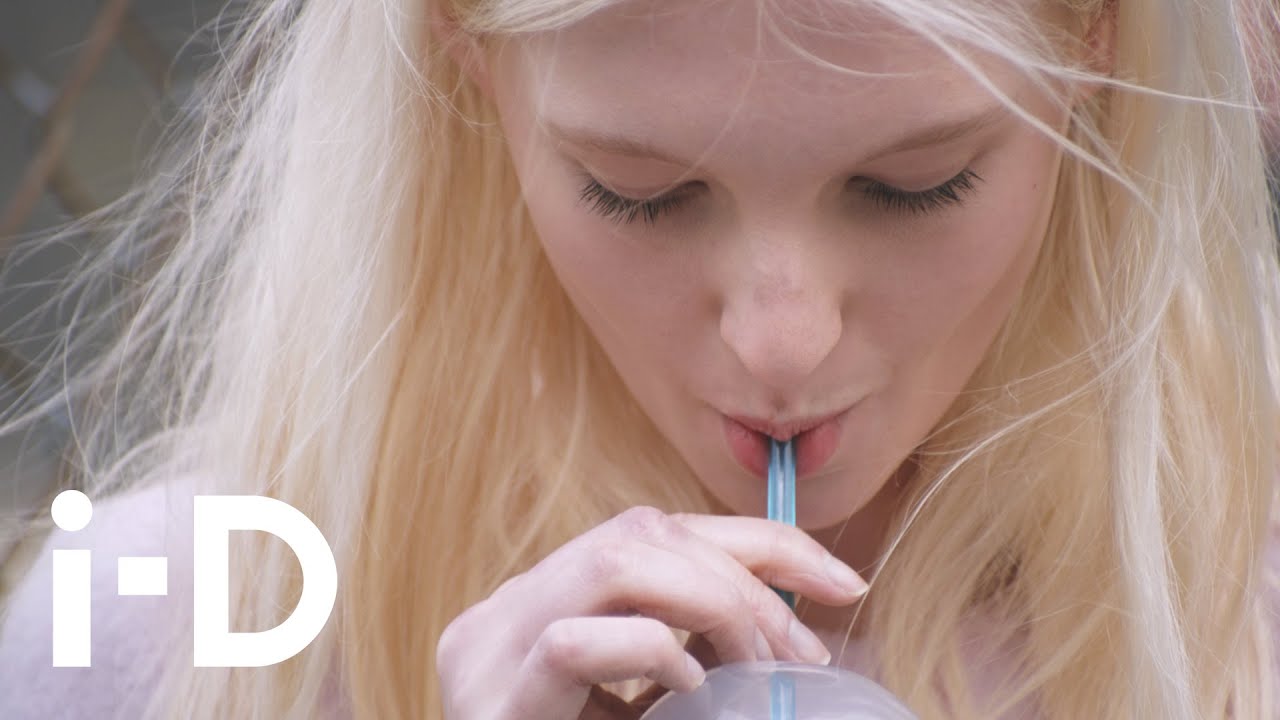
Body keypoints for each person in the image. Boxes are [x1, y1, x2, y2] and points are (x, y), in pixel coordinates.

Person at [1, 0, 1278, 718]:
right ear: (464, 53)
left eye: (913, 183)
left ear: (1098, 43)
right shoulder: (173, 636)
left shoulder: (1245, 609)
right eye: (641, 194)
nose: (780, 340)